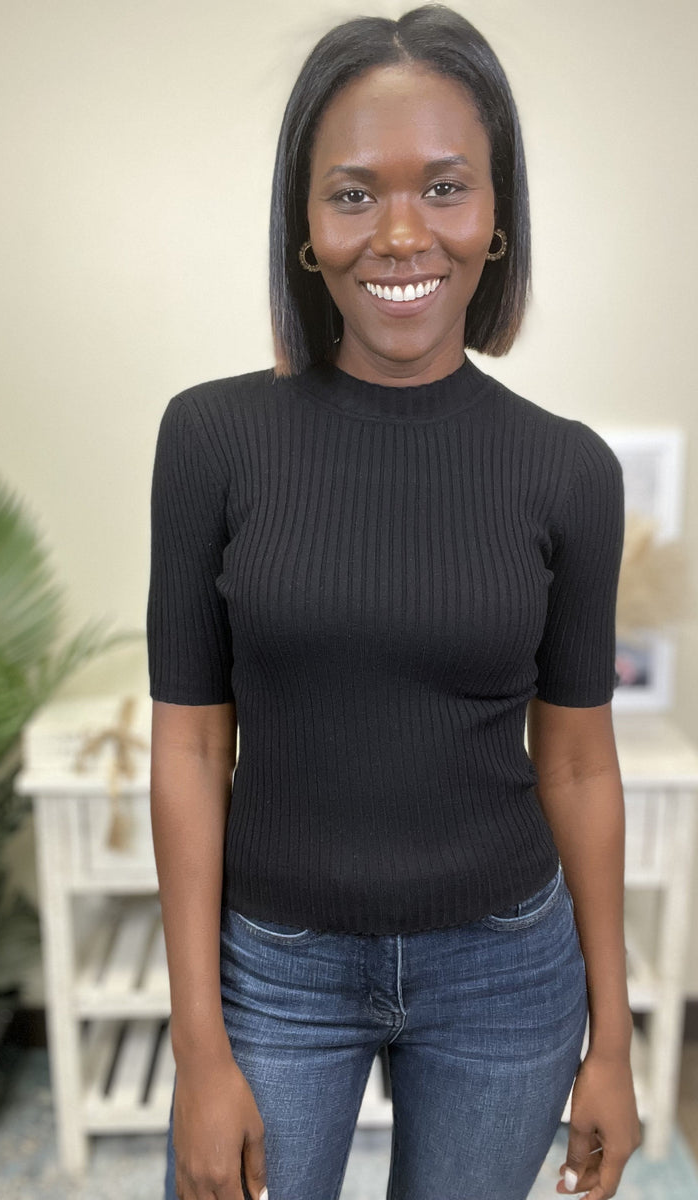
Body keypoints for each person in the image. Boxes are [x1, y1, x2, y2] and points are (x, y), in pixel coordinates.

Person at [146, 6, 641, 1199]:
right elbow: (191, 743)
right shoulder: (211, 439)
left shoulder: (570, 470)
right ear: (306, 227)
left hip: (505, 972)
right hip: (276, 970)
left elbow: (579, 763)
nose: (403, 233)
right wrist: (200, 1051)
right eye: (355, 194)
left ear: (498, 219)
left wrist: (614, 1043)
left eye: (446, 187)